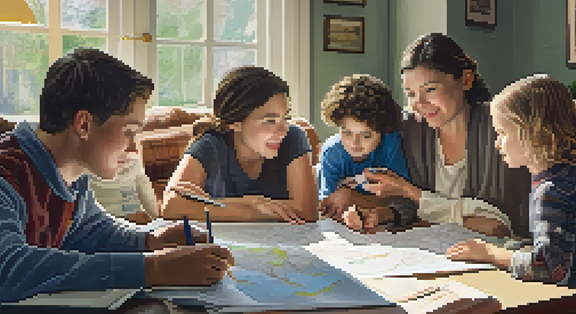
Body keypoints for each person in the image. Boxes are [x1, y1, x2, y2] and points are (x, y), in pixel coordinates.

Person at [0, 48, 233, 311]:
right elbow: (5, 274)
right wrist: (154, 268)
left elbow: (92, 231)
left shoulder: (69, 173)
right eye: (129, 130)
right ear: (84, 124)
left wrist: (151, 240)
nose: (134, 148)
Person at [320, 33, 533, 238]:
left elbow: (498, 226)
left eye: (430, 89)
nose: (418, 103)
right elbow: (404, 208)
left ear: (466, 80)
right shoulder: (406, 129)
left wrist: (412, 193)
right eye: (411, 93)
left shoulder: (502, 129)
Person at [446, 75, 576, 290]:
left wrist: (490, 253)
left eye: (502, 133)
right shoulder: (569, 176)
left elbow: (547, 268)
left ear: (534, 134)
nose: (497, 143)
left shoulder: (550, 192)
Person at [161, 66, 318, 224]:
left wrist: (215, 204)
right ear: (235, 123)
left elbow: (306, 211)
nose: (283, 130)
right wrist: (251, 205)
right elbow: (171, 206)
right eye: (270, 121)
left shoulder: (293, 137)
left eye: (286, 117)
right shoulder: (211, 144)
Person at [317, 74, 413, 231]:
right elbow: (331, 208)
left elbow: (406, 201)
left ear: (382, 130)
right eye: (346, 132)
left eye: (366, 135)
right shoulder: (331, 153)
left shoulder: (391, 144)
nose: (354, 143)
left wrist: (352, 197)